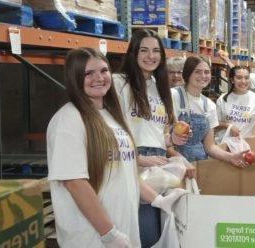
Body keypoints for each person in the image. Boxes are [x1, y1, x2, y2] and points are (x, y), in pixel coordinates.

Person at [47, 48, 185, 248]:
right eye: (88, 73)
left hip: (124, 229)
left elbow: (124, 173)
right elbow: (75, 183)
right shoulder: (69, 119)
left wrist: (157, 200)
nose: (99, 78)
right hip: (92, 237)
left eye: (103, 71)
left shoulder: (112, 116)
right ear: (74, 77)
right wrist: (108, 233)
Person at [112, 29, 183, 248]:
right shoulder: (118, 83)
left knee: (159, 234)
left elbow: (160, 133)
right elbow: (110, 129)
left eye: (155, 51)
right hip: (132, 164)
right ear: (133, 53)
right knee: (143, 233)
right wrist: (137, 159)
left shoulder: (160, 89)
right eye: (144, 50)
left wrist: (173, 140)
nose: (150, 56)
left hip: (159, 167)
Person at [171, 55, 249, 166]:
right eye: (197, 72)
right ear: (188, 73)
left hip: (199, 164)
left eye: (207, 72)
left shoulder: (209, 105)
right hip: (175, 164)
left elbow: (210, 147)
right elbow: (164, 138)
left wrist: (231, 157)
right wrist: (181, 162)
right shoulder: (174, 96)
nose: (203, 76)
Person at [215, 65, 255, 140]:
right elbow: (214, 125)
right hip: (224, 145)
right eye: (239, 78)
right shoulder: (223, 99)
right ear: (232, 80)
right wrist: (228, 126)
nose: (243, 81)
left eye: (246, 78)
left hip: (246, 146)